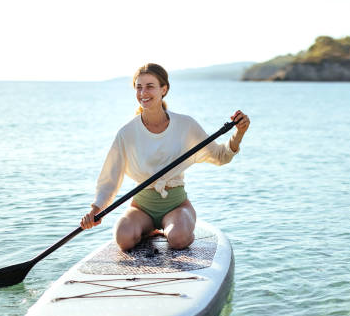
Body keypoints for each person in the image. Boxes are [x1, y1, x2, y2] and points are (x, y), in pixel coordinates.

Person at [80, 63, 250, 251]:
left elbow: (220, 156)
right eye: (139, 87)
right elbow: (110, 178)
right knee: (123, 238)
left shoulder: (185, 125)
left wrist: (239, 133)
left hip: (176, 206)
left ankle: (178, 226)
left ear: (164, 89)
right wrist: (96, 211)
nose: (143, 92)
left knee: (178, 239)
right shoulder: (126, 133)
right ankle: (148, 230)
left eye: (150, 86)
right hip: (141, 207)